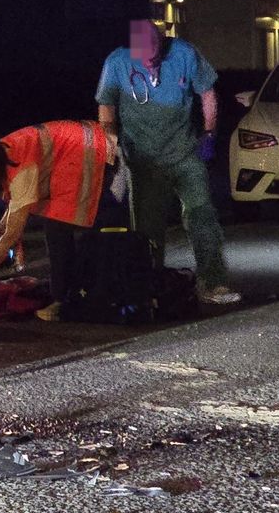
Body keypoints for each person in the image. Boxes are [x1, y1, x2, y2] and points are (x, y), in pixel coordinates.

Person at [97, 20, 240, 305]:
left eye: (155, 55)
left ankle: (213, 283)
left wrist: (209, 133)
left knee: (202, 216)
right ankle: (150, 287)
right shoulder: (117, 62)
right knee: (147, 228)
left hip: (185, 153)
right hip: (143, 160)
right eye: (143, 58)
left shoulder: (184, 53)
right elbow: (106, 107)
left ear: (162, 42)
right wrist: (111, 145)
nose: (150, 64)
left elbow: (207, 94)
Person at [0, 121, 117, 321]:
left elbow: (13, 232)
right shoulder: (1, 153)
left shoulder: (20, 168)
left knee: (56, 224)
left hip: (85, 151)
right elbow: (11, 214)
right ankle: (73, 289)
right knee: (62, 225)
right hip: (83, 144)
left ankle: (64, 300)